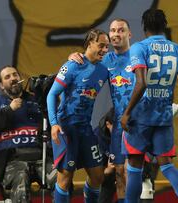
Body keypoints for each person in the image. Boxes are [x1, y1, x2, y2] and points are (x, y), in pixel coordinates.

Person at [120, 9, 178, 203]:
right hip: (163, 117)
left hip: (141, 116)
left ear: (144, 27)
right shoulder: (177, 49)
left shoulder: (139, 48)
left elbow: (141, 83)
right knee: (167, 166)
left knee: (135, 167)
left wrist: (127, 113)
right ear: (164, 27)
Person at [69, 18, 134, 203]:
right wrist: (75, 57)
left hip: (140, 124)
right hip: (120, 125)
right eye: (112, 30)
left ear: (129, 34)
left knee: (133, 173)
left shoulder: (139, 55)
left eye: (121, 30)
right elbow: (87, 61)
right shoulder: (105, 61)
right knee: (119, 172)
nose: (115, 34)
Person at [47, 28, 110, 203]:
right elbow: (51, 94)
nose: (105, 50)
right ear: (90, 43)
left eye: (107, 47)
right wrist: (53, 123)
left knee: (98, 176)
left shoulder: (104, 69)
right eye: (101, 45)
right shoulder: (72, 65)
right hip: (66, 128)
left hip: (85, 129)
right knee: (65, 178)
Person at [0, 65, 56, 202]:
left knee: (61, 179)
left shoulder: (38, 101)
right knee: (20, 177)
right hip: (12, 159)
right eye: (7, 77)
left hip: (41, 156)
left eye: (15, 75)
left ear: (20, 78)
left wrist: (48, 99)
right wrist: (9, 109)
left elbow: (56, 122)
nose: (13, 78)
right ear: (1, 85)